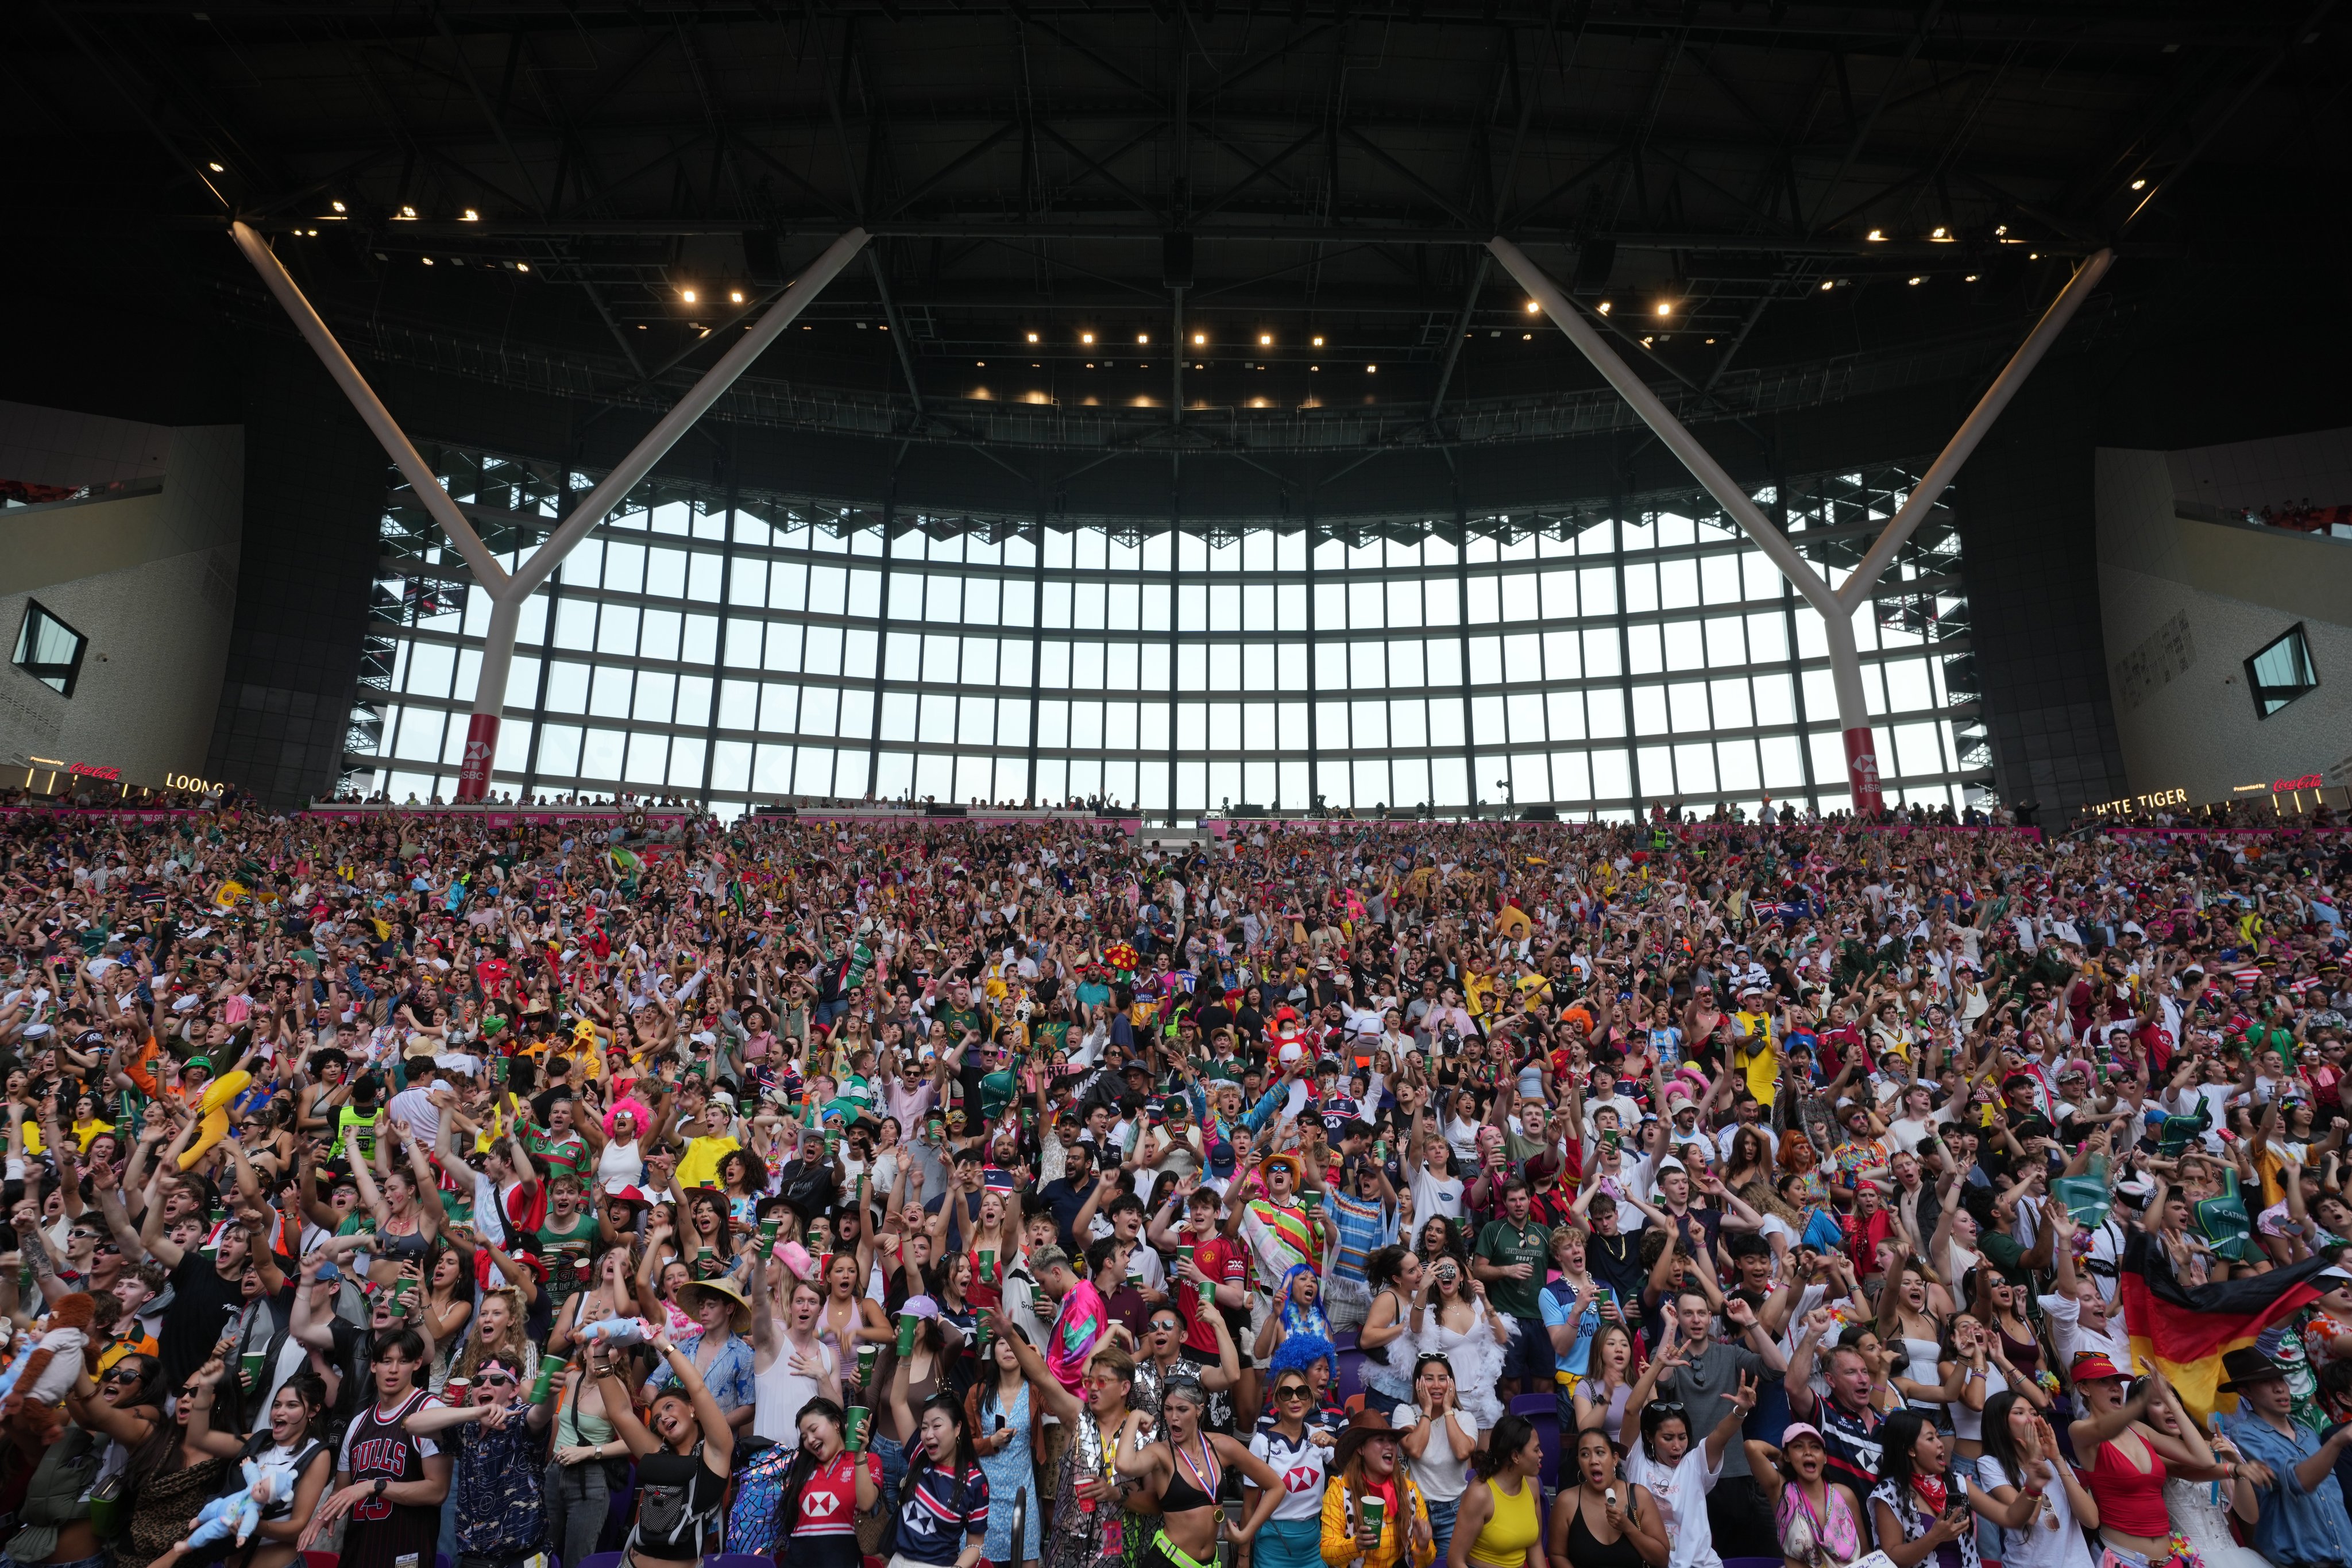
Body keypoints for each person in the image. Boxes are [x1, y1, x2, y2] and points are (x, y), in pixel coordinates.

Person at [299, 1328, 453, 1568]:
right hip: (358, 1550)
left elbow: (437, 1491)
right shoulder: (359, 1422)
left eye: (403, 1361)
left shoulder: (430, 1411)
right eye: (386, 1361)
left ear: (417, 1364)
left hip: (407, 1552)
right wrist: (321, 1517)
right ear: (373, 1366)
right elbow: (342, 1490)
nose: (393, 1370)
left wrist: (375, 1486)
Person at [590, 1319, 736, 1567]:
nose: (663, 1417)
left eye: (669, 1407)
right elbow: (620, 1413)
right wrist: (601, 1357)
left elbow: (698, 1388)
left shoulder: (716, 1452)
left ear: (692, 1409)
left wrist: (661, 1344)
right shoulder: (656, 1452)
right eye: (657, 1418)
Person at [398, 1348, 555, 1568]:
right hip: (475, 1559)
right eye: (479, 1380)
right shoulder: (467, 1427)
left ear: (514, 1390)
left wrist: (551, 1394)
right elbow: (412, 1424)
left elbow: (542, 1414)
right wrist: (474, 1413)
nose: (486, 1385)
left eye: (498, 1379)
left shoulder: (521, 1417)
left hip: (521, 1558)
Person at [2065, 1355, 2223, 1567]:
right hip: (2123, 1559)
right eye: (2104, 1381)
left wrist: (2169, 1398)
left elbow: (2204, 1460)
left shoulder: (2139, 1429)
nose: (2115, 1388)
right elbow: (2103, 1429)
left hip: (2171, 1557)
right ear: (2084, 1389)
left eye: (2117, 1382)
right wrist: (2143, 1400)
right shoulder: (2079, 1430)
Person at [1114, 1372, 1284, 1568]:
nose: (1174, 1418)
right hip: (1170, 1561)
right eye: (1168, 1409)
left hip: (1212, 1563)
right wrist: (1134, 1417)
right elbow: (1124, 1464)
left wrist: (1246, 1534)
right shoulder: (1162, 1454)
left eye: (1182, 1409)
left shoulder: (1222, 1446)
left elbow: (1276, 1486)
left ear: (1199, 1410)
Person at [2216, 1345, 2352, 1568]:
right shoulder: (2245, 1434)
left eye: (2281, 1380)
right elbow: (2299, 1481)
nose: (2280, 1388)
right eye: (2265, 1382)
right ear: (2246, 1393)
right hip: (2301, 1563)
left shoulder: (2309, 1434)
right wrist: (2338, 1440)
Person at [1867, 1408, 2045, 1568]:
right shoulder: (1888, 1493)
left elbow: (2010, 1517)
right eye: (1931, 1439)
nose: (1940, 1444)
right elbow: (1890, 1557)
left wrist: (2032, 1488)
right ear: (1911, 1450)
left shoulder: (1957, 1482)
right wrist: (1935, 1536)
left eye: (1938, 1436)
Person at [1621, 1366, 1759, 1568]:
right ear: (1649, 1437)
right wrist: (1658, 1365)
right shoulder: (1637, 1459)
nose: (1677, 1445)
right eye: (1668, 1438)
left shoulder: (1695, 1463)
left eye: (1682, 1437)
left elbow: (1721, 1435)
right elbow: (1631, 1410)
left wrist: (1741, 1410)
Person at [1971, 1392, 2098, 1568]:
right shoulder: (1990, 1464)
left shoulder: (2054, 1459)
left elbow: (2091, 1520)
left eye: (2033, 1413)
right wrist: (2036, 1460)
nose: (2031, 1419)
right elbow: (2029, 1518)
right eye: (2019, 1413)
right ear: (2000, 1423)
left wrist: (2058, 1460)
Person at [774, 1397, 883, 1568]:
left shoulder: (869, 1461)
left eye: (814, 1429)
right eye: (804, 1437)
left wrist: (860, 1454)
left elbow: (866, 1503)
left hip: (843, 1560)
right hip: (798, 1561)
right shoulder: (802, 1469)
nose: (810, 1440)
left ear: (836, 1424)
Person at [1320, 1408, 1436, 1568]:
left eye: (1392, 1441)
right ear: (1361, 1449)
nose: (1389, 1446)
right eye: (1380, 1440)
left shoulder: (1410, 1492)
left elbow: (1425, 1562)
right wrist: (1356, 1545)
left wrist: (1423, 1546)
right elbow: (1327, 1552)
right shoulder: (1339, 1491)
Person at [887, 1390, 991, 1568]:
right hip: (897, 1562)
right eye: (925, 1427)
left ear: (957, 1428)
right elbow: (897, 1401)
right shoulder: (918, 1454)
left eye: (936, 1426)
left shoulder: (975, 1481)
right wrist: (905, 1361)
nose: (928, 1435)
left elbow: (975, 1544)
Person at [1250, 1364, 1340, 1568]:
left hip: (1314, 1547)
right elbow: (1248, 1506)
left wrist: (1334, 1442)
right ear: (1276, 1402)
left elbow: (1352, 1462)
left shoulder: (1319, 1438)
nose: (1295, 1399)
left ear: (1309, 1400)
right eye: (1286, 1393)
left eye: (1301, 1392)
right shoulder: (1261, 1443)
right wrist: (1244, 1556)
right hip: (1273, 1548)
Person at [1546, 1422, 1670, 1568]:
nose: (1593, 1461)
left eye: (1600, 1453)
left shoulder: (1639, 1496)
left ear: (1615, 1459)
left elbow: (1661, 1560)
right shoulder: (1566, 1502)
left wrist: (1628, 1527)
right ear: (1579, 1462)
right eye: (1585, 1455)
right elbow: (1557, 1555)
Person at [1746, 1425, 1868, 1568]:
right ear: (1787, 1455)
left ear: (1825, 1457)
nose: (1808, 1453)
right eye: (1798, 1447)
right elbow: (1752, 1447)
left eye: (1815, 1447)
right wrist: (1780, 1457)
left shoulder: (1845, 1495)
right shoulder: (1782, 1493)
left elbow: (1865, 1553)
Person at [1396, 1353, 1477, 1567]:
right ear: (1418, 1383)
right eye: (1429, 1378)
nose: (1436, 1385)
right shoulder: (1404, 1412)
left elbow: (1462, 1452)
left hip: (1454, 1512)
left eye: (1442, 1378)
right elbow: (1415, 1449)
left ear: (1451, 1383)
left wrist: (1449, 1409)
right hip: (1415, 1509)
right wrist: (1427, 1410)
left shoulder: (1465, 1418)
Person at [1452, 1413, 1544, 1568]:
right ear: (1516, 1456)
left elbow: (1535, 1547)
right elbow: (1455, 1560)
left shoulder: (1533, 1485)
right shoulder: (1480, 1494)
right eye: (1536, 1450)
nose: (1541, 1455)